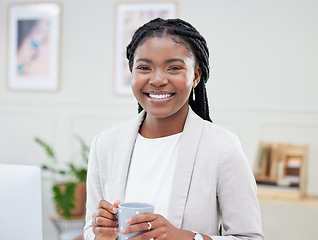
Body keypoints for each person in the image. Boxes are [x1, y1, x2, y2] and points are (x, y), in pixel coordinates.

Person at [84, 18, 264, 240]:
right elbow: (90, 230)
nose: (158, 79)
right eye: (144, 67)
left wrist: (187, 237)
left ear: (196, 76)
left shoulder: (222, 147)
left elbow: (250, 237)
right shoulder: (105, 144)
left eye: (174, 68)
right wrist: (100, 232)